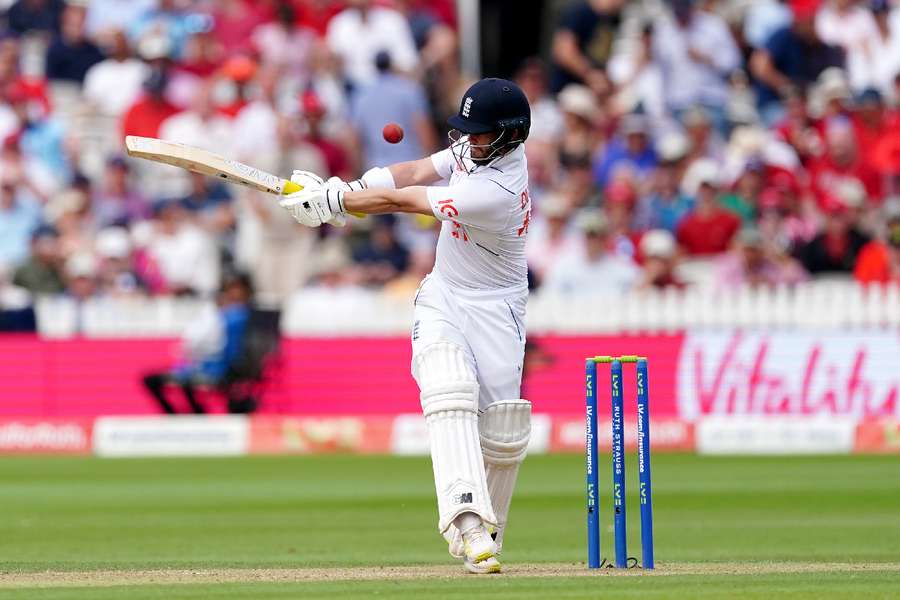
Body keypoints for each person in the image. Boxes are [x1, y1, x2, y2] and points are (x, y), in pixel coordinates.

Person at [278, 78, 533, 575]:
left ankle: (490, 527)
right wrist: (346, 188)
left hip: (498, 307)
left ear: (510, 136)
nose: (470, 141)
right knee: (448, 388)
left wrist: (334, 205)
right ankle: (467, 519)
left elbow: (406, 200)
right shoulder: (473, 151)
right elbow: (413, 168)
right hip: (444, 294)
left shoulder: (498, 189)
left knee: (504, 430)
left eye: (481, 134)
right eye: (469, 132)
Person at [142, 273, 252, 414]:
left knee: (152, 380)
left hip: (216, 371)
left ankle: (187, 418)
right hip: (222, 369)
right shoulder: (244, 316)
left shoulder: (231, 317)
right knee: (182, 380)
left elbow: (197, 342)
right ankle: (195, 415)